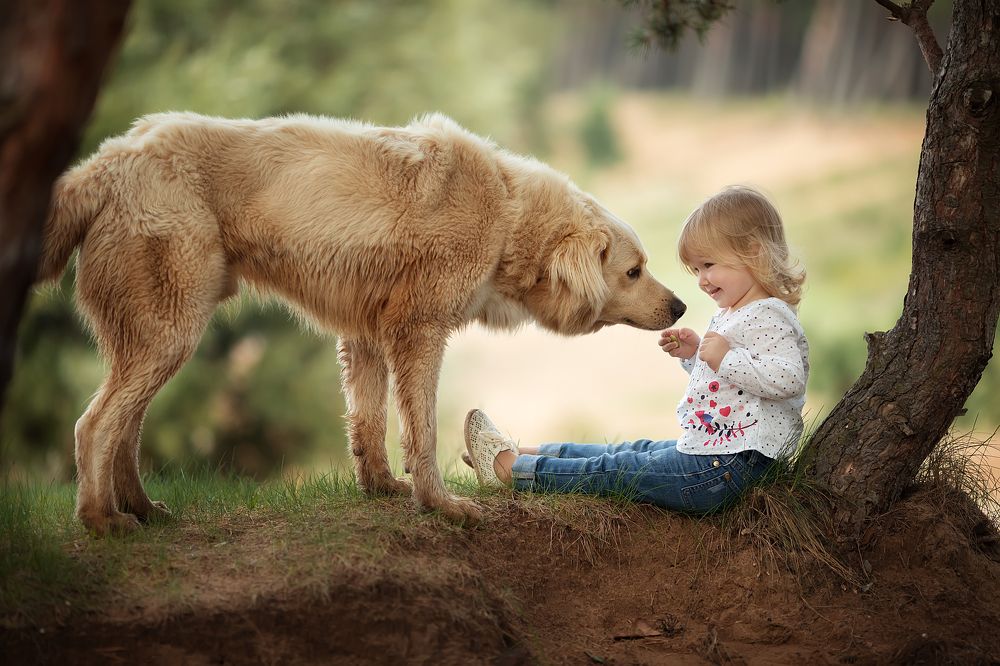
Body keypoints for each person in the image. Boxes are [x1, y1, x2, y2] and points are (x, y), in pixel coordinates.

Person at [462, 185, 809, 513]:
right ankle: (526, 453)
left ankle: (514, 472)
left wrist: (725, 358)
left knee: (620, 469)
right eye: (697, 269)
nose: (701, 280)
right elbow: (734, 386)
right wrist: (695, 354)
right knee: (635, 451)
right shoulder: (737, 312)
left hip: (729, 470)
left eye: (709, 265)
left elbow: (787, 380)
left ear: (752, 253)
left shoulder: (770, 315)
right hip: (718, 457)